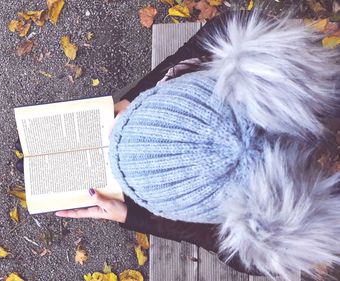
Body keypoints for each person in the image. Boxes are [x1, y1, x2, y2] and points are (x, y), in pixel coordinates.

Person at [54, 9, 340, 280]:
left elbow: (229, 247)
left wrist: (134, 217)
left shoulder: (259, 249)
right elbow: (225, 27)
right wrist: (135, 105)